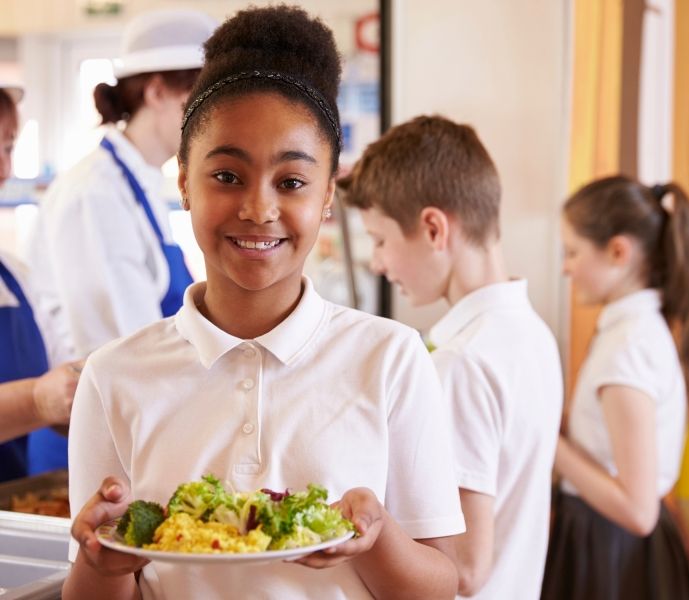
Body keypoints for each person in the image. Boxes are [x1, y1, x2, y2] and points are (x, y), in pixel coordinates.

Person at [63, 7, 465, 600]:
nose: (258, 208)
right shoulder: (114, 376)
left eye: (292, 181)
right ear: (184, 183)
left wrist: (375, 536)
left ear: (328, 194)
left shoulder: (391, 358)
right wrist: (100, 566)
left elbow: (440, 585)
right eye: (226, 176)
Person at [342, 115, 564, 599]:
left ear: (434, 229)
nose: (377, 263)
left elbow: (464, 568)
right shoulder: (534, 333)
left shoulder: (460, 363)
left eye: (380, 240)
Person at [541, 176, 689, 600]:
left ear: (618, 251)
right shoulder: (631, 332)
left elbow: (638, 510)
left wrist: (547, 441)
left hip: (611, 546)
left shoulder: (628, 348)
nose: (565, 267)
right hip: (604, 538)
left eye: (573, 252)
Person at [27, 9, 217, 358]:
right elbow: (127, 354)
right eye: (203, 103)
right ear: (157, 92)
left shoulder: (137, 182)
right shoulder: (96, 193)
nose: (214, 121)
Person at [0, 84, 82, 481]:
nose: (3, 169)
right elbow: (43, 396)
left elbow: (59, 382)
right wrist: (36, 400)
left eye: (7, 148)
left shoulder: (15, 277)